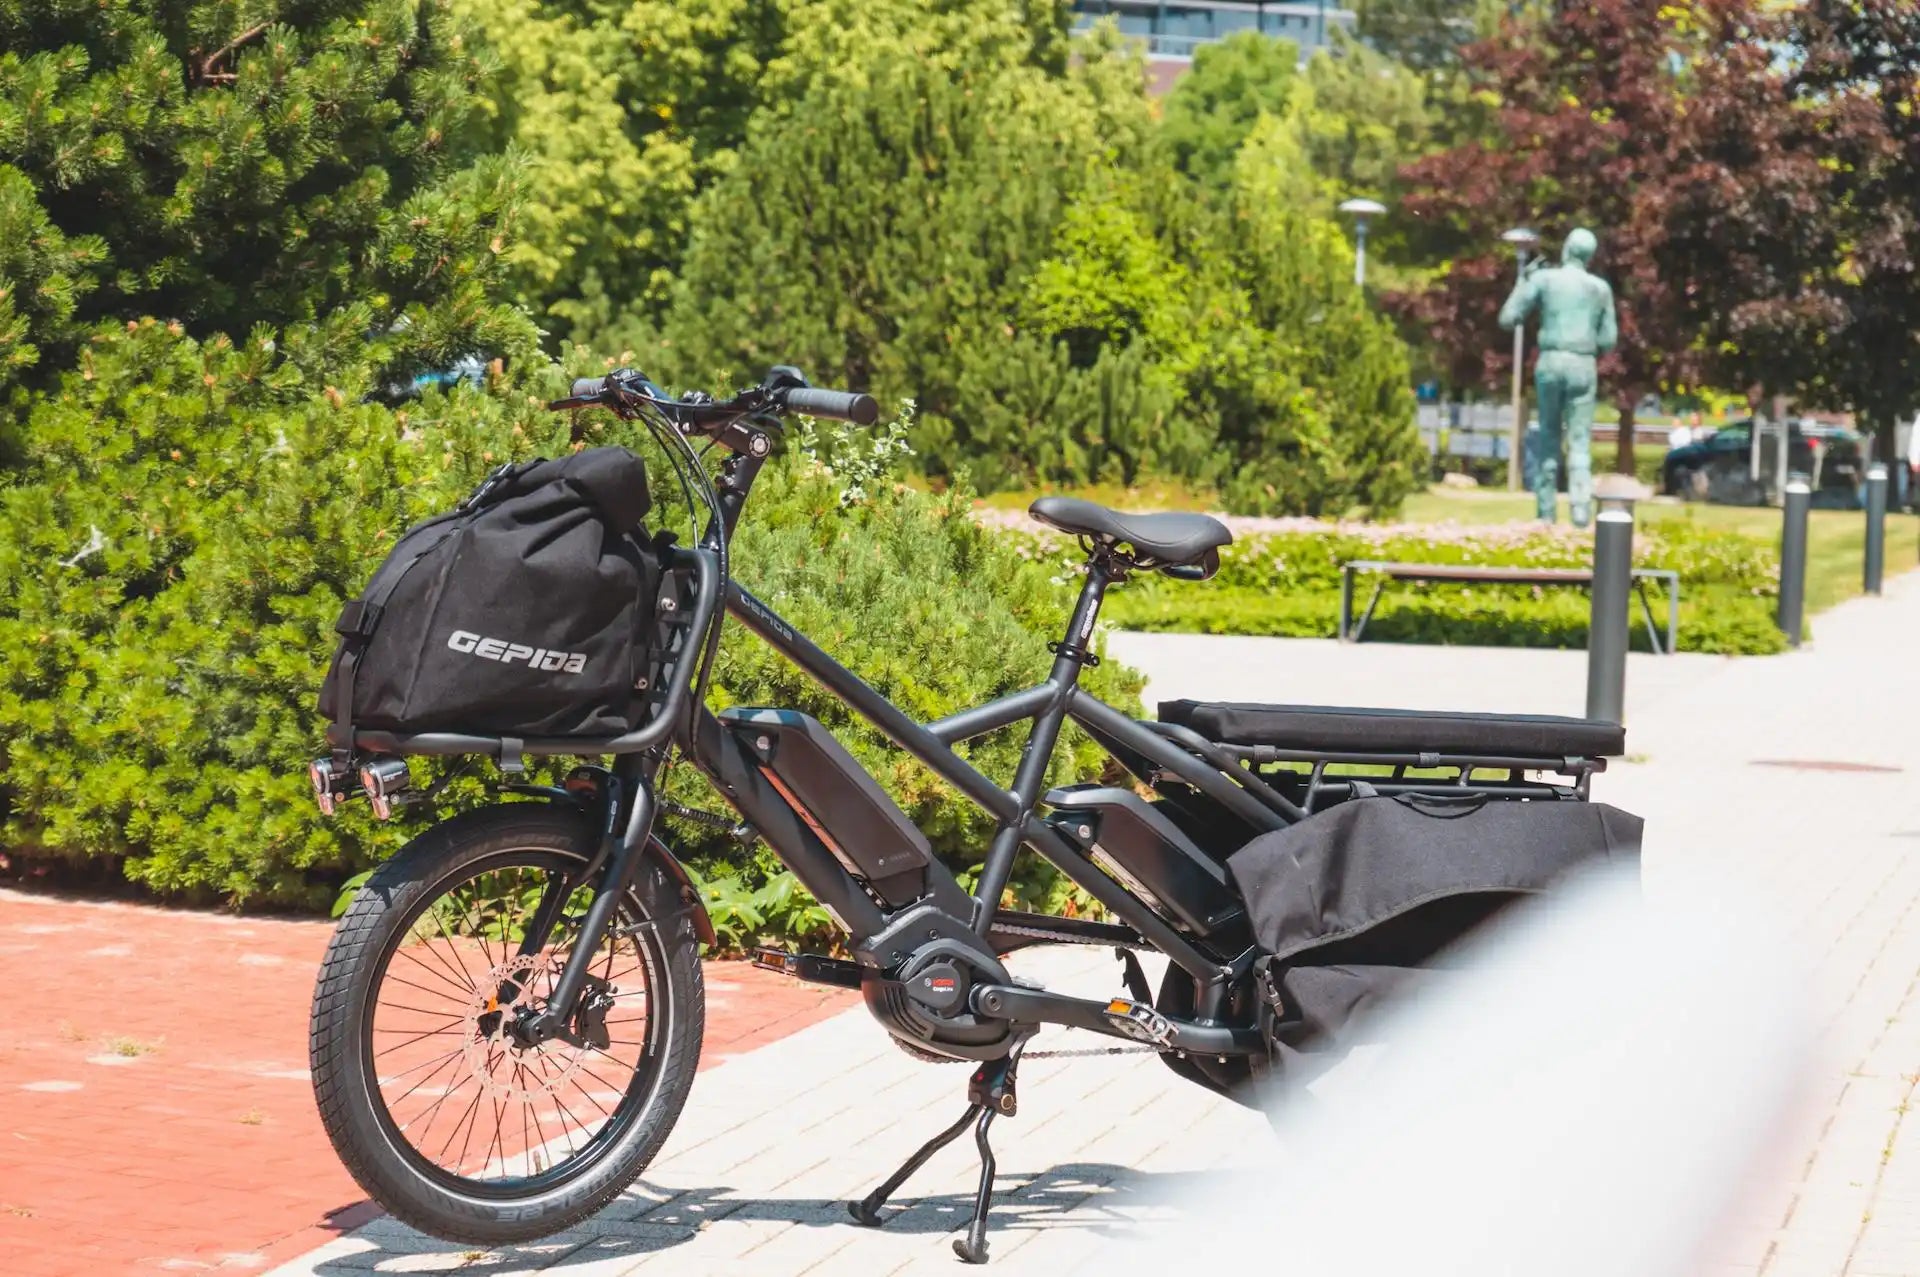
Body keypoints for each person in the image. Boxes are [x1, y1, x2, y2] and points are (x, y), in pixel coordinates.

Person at [1499, 228, 1619, 528]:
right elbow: (1608, 340)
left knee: (1549, 437)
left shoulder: (1544, 279)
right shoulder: (1600, 289)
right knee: (1580, 442)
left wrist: (1522, 281)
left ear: (1566, 250)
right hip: (1583, 364)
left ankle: (1546, 513)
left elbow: (1508, 317)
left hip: (1551, 361)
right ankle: (1580, 513)